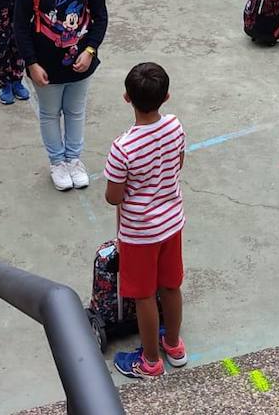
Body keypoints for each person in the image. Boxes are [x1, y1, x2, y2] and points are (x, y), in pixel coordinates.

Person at [105, 63, 187, 380]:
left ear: (127, 98)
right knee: (171, 285)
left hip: (140, 232)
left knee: (143, 296)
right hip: (172, 221)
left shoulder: (123, 147)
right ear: (166, 97)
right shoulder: (176, 127)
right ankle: (174, 345)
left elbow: (114, 196)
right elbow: (178, 164)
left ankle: (150, 361)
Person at [14, 0, 110, 191]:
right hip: (46, 65)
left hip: (80, 64)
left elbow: (100, 17)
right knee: (49, 113)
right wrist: (31, 63)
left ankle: (74, 159)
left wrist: (90, 51)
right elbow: (19, 27)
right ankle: (57, 162)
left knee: (76, 111)